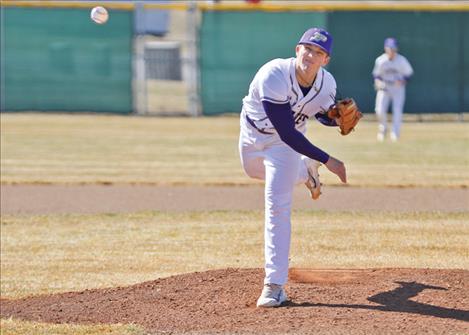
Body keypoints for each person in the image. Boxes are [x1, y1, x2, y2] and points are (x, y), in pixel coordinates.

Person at [238, 27, 347, 308]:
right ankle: (305, 170)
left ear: (326, 60)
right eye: (308, 48)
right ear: (297, 49)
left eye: (319, 52)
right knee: (252, 172)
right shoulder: (274, 73)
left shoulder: (327, 84)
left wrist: (335, 120)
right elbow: (286, 130)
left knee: (277, 205)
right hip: (254, 135)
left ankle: (274, 285)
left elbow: (320, 113)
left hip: (284, 149)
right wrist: (327, 159)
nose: (311, 55)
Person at [373, 37, 413, 142]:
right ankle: (383, 129)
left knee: (397, 111)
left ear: (396, 49)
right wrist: (378, 82)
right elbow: (376, 75)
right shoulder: (381, 60)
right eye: (389, 48)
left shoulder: (401, 60)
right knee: (379, 110)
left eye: (393, 48)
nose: (391, 50)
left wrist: (403, 80)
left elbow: (409, 74)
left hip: (397, 88)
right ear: (385, 48)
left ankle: (395, 133)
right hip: (385, 87)